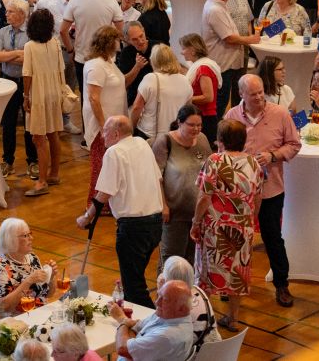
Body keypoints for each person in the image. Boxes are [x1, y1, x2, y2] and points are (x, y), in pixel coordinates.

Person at [224, 74, 301, 307]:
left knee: (273, 238)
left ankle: (282, 285)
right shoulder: (231, 116)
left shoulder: (280, 113)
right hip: (239, 191)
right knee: (234, 239)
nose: (259, 97)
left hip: (270, 190)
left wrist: (273, 155)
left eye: (260, 92)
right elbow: (221, 149)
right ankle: (231, 285)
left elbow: (294, 144)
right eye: (253, 94)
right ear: (241, 94)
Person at [76, 116, 163, 308]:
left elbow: (104, 193)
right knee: (135, 278)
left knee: (134, 288)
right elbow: (158, 179)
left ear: (116, 134)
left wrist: (87, 217)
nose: (102, 136)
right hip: (155, 224)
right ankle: (135, 319)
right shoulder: (142, 144)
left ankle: (152, 321)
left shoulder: (114, 152)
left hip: (133, 228)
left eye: (105, 131)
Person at [151, 105, 210, 265]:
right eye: (191, 125)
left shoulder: (203, 139)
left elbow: (209, 172)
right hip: (174, 213)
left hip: (198, 212)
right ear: (179, 122)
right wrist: (163, 205)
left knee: (193, 259)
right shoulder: (165, 141)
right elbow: (156, 177)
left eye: (199, 125)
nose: (196, 129)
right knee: (171, 259)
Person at [0, 0, 38, 180]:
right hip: (8, 81)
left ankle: (32, 161)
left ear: (22, 14)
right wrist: (18, 53)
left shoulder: (32, 32)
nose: (6, 14)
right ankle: (8, 161)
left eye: (10, 11)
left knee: (29, 122)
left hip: (27, 82)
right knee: (8, 122)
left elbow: (31, 59)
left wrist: (7, 55)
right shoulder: (3, 31)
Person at [63, 0, 124, 105]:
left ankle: (86, 120)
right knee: (106, 95)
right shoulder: (111, 1)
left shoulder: (75, 0)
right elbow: (120, 31)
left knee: (86, 96)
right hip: (106, 56)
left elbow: (63, 30)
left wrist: (71, 50)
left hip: (82, 56)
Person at [202, 0, 260, 116]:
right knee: (220, 101)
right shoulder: (215, 9)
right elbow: (228, 38)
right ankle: (216, 127)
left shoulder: (218, 6)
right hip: (222, 63)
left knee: (227, 98)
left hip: (227, 61)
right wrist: (250, 39)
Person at [22, 9, 65, 195]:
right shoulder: (55, 43)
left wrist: (26, 96)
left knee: (39, 138)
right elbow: (61, 68)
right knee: (53, 133)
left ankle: (41, 181)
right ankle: (54, 174)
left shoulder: (29, 46)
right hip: (54, 91)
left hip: (38, 94)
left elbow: (27, 74)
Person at [82, 27, 127, 202]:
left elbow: (120, 84)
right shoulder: (96, 65)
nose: (119, 43)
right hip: (103, 124)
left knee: (110, 166)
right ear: (109, 42)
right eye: (117, 40)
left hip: (114, 123)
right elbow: (94, 98)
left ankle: (108, 203)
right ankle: (94, 203)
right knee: (100, 165)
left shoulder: (109, 62)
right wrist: (103, 127)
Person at [109, 280, 193, 361]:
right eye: (159, 295)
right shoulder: (166, 315)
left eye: (165, 300)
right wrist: (132, 344)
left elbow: (122, 349)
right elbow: (136, 326)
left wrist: (122, 319)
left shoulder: (167, 337)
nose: (157, 302)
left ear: (182, 308)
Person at [0, 218, 58, 316]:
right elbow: (4, 307)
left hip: (40, 314)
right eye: (25, 236)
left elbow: (49, 294)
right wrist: (28, 281)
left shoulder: (32, 257)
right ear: (11, 240)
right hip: (18, 319)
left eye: (30, 234)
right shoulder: (1, 265)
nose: (31, 238)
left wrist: (51, 277)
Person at [131, 45, 192, 142]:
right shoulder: (185, 80)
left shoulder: (151, 78)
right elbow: (188, 109)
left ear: (154, 61)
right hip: (174, 134)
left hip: (149, 134)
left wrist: (131, 129)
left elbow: (136, 107)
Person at [159, 256, 220, 349]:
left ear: (169, 280)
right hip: (218, 350)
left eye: (163, 271)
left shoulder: (176, 304)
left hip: (196, 353)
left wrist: (161, 290)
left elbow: (159, 332)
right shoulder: (199, 291)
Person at [117, 22, 159, 107]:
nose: (140, 41)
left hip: (157, 97)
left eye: (141, 36)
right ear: (128, 40)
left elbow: (172, 71)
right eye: (134, 39)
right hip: (135, 99)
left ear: (144, 31)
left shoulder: (158, 47)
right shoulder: (126, 53)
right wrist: (137, 67)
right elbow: (124, 83)